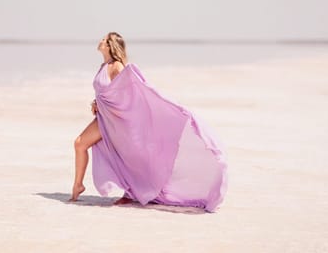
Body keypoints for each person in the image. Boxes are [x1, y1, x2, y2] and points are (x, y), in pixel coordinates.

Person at [70, 32, 228, 212]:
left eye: (104, 40)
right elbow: (108, 92)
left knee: (130, 158)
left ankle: (133, 192)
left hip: (118, 122)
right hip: (104, 120)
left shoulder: (117, 67)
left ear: (111, 46)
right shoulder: (103, 66)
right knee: (80, 144)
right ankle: (78, 186)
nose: (100, 41)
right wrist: (96, 103)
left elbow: (130, 94)